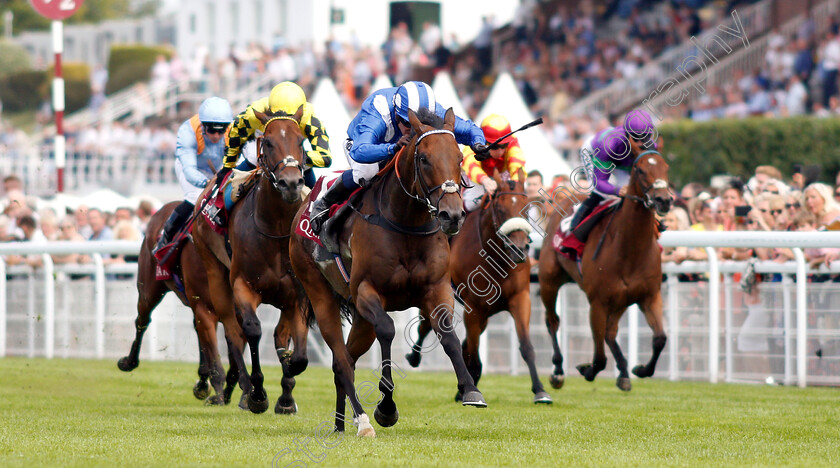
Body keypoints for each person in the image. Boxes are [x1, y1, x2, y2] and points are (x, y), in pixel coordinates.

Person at [310, 81, 489, 233]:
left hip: (401, 147)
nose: (413, 130)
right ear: (396, 113)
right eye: (406, 123)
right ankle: (326, 198)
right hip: (368, 145)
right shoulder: (378, 112)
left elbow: (469, 129)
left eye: (420, 125)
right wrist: (391, 148)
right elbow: (360, 150)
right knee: (367, 171)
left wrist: (478, 143)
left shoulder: (434, 111)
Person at [153, 97, 234, 253]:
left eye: (221, 130)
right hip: (191, 167)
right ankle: (166, 238)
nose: (216, 135)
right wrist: (207, 183)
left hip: (218, 168)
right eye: (211, 130)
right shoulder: (188, 131)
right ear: (203, 125)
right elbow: (189, 170)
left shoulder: (234, 130)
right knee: (194, 198)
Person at [219, 81, 332, 190]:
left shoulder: (310, 120)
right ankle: (218, 200)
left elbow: (325, 158)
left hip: (291, 147)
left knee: (308, 175)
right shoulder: (253, 115)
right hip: (261, 141)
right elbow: (236, 134)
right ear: (270, 110)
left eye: (290, 118)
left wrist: (294, 156)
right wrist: (228, 166)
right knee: (254, 157)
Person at [568, 109, 657, 230]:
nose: (641, 143)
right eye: (636, 138)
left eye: (646, 137)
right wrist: (617, 190)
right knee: (598, 192)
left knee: (634, 193)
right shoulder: (609, 146)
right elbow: (599, 182)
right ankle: (574, 227)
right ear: (627, 134)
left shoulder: (652, 147)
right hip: (595, 152)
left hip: (622, 162)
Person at [461, 114, 526, 212]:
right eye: (494, 147)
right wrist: (484, 179)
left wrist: (515, 185)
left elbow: (517, 164)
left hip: (502, 174)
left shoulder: (512, 141)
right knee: (471, 203)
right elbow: (470, 164)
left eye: (504, 146)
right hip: (476, 178)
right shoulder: (474, 141)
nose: (500, 151)